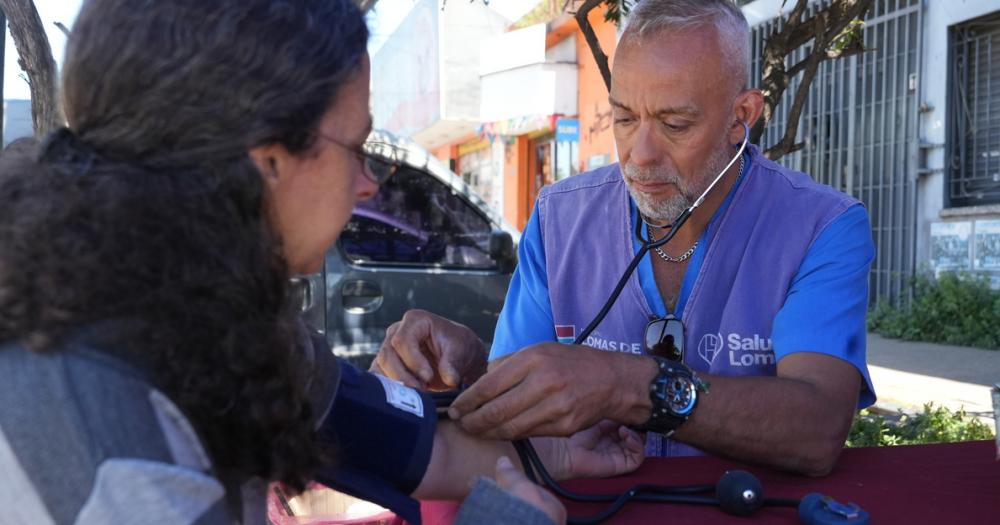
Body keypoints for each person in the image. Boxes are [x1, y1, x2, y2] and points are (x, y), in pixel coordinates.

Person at [0, 1, 644, 524]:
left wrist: (556, 450)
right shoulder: (101, 431)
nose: (370, 185)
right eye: (357, 147)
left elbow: (395, 438)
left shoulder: (202, 306)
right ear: (266, 157)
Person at [372, 0, 876, 477]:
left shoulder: (823, 226)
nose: (640, 154)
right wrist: (467, 366)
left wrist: (627, 385)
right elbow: (523, 399)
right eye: (624, 118)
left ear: (741, 117)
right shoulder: (559, 218)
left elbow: (818, 430)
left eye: (675, 124)